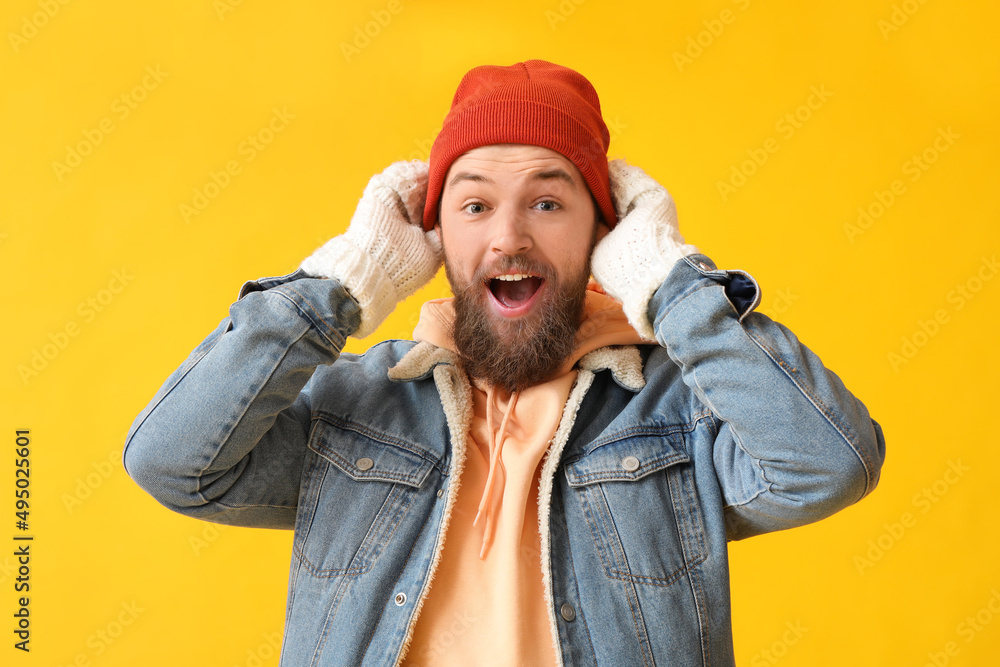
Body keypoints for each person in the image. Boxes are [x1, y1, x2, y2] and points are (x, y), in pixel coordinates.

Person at [124, 60, 886, 666]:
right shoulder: (358, 404)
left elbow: (828, 462)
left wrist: (668, 281)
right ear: (434, 236)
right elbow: (173, 460)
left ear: (604, 236)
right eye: (475, 205)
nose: (509, 238)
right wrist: (343, 280)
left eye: (549, 203)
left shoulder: (678, 413)